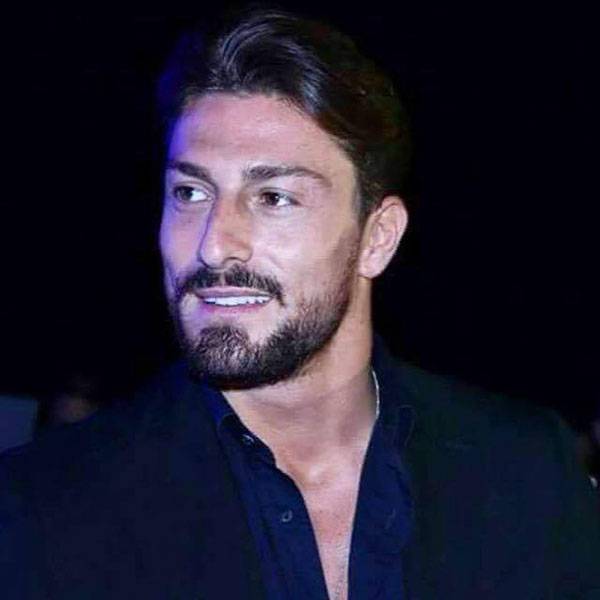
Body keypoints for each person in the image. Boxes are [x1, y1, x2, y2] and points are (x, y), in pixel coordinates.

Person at [1, 9, 598, 599]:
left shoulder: (527, 470)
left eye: (274, 197)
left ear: (377, 238)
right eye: (190, 192)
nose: (213, 244)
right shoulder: (42, 509)